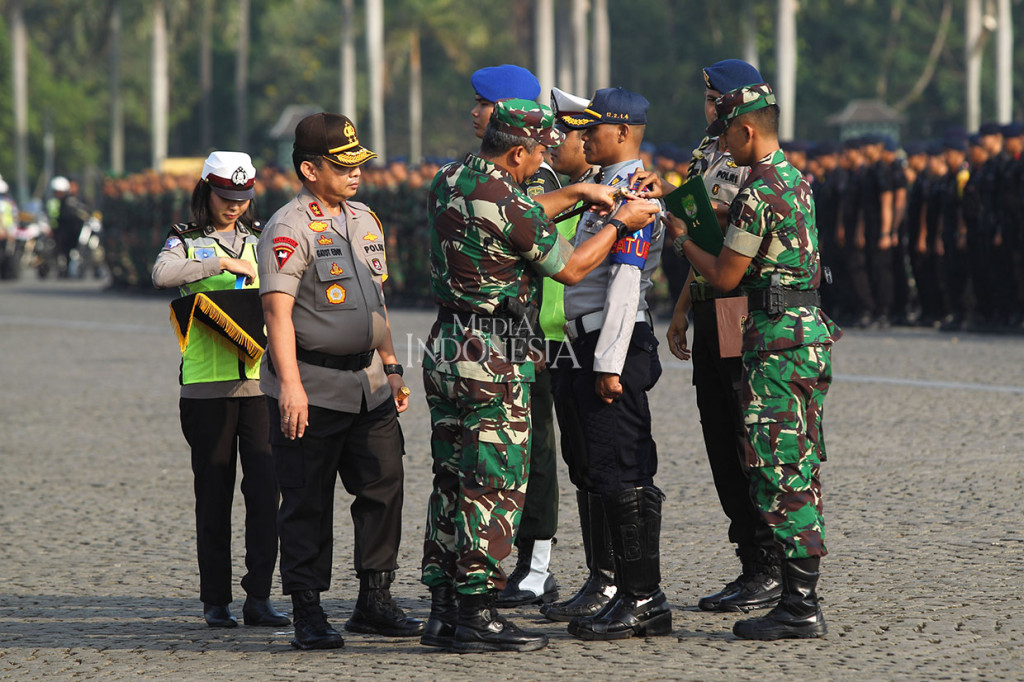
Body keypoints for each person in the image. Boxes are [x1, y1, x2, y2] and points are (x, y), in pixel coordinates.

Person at [419, 98, 659, 653]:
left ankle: (443, 607)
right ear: (517, 151)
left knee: (451, 479)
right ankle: (478, 612)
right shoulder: (506, 197)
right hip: (493, 355)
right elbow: (572, 266)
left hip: (448, 344)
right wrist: (621, 220)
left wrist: (577, 193)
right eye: (538, 154)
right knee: (494, 482)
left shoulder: (453, 178)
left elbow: (515, 208)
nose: (542, 163)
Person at [663, 83, 841, 640]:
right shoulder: (797, 182)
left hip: (776, 341)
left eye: (728, 134)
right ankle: (795, 594)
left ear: (746, 131)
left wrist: (683, 237)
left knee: (776, 466)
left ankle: (799, 605)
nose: (724, 145)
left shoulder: (759, 193)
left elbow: (724, 276)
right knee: (799, 464)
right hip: (805, 336)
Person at [257, 112, 424, 650]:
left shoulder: (366, 219)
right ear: (309, 169)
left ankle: (374, 601)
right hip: (313, 384)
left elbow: (376, 305)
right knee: (306, 500)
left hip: (370, 383)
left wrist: (393, 366)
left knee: (383, 487)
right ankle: (307, 609)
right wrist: (291, 388)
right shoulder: (288, 228)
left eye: (358, 163)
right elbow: (278, 316)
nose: (355, 172)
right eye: (342, 164)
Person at [663, 59, 783, 615]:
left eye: (714, 99)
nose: (707, 107)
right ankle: (748, 560)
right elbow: (700, 240)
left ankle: (768, 562)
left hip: (739, 306)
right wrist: (683, 309)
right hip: (710, 299)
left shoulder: (749, 161)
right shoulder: (706, 153)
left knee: (742, 435)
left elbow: (718, 231)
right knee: (717, 432)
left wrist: (685, 215)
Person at [152, 151, 290, 630]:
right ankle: (216, 600)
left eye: (242, 198)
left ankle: (259, 597)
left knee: (264, 494)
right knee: (213, 493)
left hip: (259, 384)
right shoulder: (185, 240)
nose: (234, 207)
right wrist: (219, 262)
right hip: (207, 388)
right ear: (206, 192)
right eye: (226, 198)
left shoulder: (263, 236)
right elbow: (161, 275)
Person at [556, 86, 672, 641]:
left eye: (593, 128)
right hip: (587, 342)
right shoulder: (607, 188)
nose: (582, 137)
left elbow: (626, 284)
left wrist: (609, 362)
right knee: (603, 472)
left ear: (623, 133)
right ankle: (625, 590)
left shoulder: (635, 193)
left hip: (614, 344)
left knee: (625, 472)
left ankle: (644, 596)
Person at [466, 63, 562, 609]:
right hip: (504, 339)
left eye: (482, 103)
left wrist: (536, 340)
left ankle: (538, 563)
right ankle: (503, 560)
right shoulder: (479, 171)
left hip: (536, 336)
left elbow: (545, 267)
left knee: (537, 455)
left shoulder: (537, 178)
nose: (473, 112)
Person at [538, 87, 613, 624]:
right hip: (558, 341)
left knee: (603, 462)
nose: (554, 143)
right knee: (581, 464)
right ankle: (599, 575)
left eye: (562, 134)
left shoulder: (599, 196)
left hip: (587, 343)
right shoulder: (566, 194)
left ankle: (614, 580)